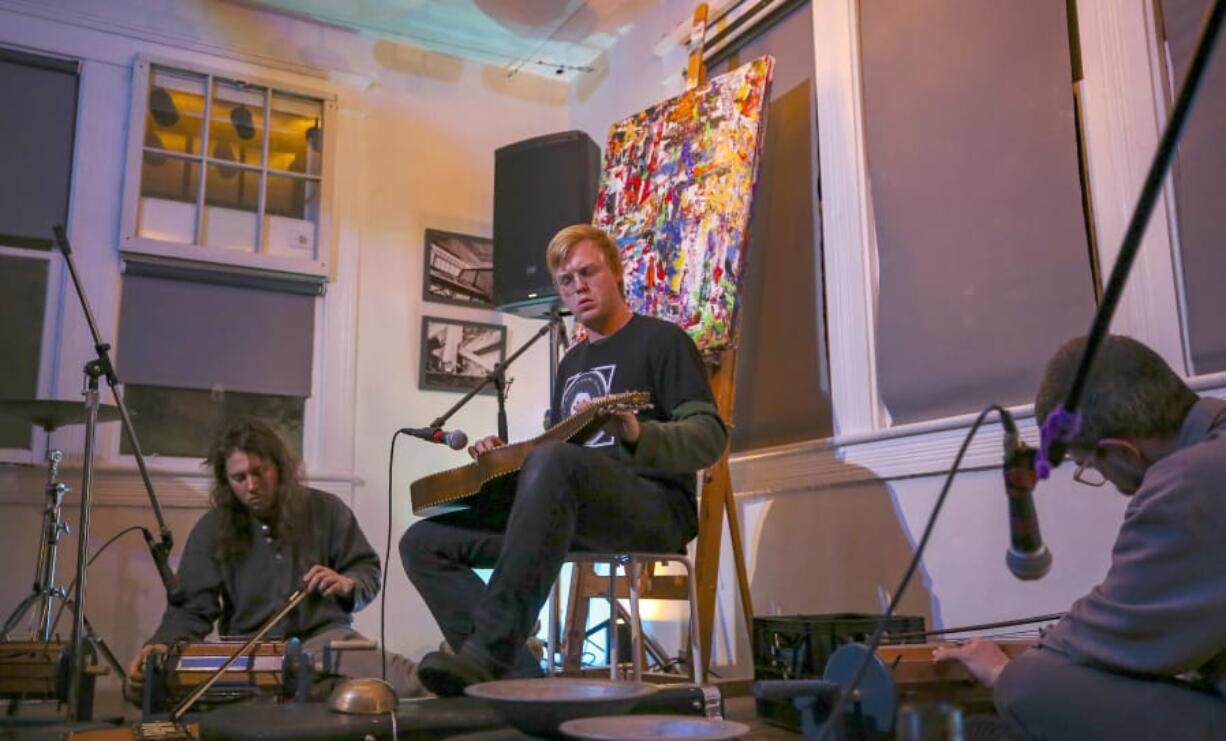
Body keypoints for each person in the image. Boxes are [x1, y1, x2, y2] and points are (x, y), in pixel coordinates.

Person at [400, 224, 728, 696]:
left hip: (654, 511)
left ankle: (487, 652)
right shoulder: (570, 363)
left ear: (615, 272)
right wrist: (505, 458)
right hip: (573, 512)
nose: (578, 286)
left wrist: (638, 432)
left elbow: (709, 436)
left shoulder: (663, 341)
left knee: (554, 463)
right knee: (424, 542)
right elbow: (560, 449)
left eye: (588, 272)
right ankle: (520, 681)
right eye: (567, 281)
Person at [935, 335, 1226, 739]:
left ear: (1122, 452)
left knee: (1028, 686)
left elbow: (1113, 637)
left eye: (1087, 466)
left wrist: (1003, 670)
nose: (1099, 477)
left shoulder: (1189, 482)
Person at [127, 417, 420, 698]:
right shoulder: (211, 529)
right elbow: (190, 608)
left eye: (260, 472)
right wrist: (162, 645)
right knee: (147, 685)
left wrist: (348, 584)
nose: (252, 486)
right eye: (239, 478)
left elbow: (366, 570)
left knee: (408, 681)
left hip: (325, 642)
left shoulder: (325, 509)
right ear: (226, 481)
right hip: (249, 651)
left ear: (279, 468)